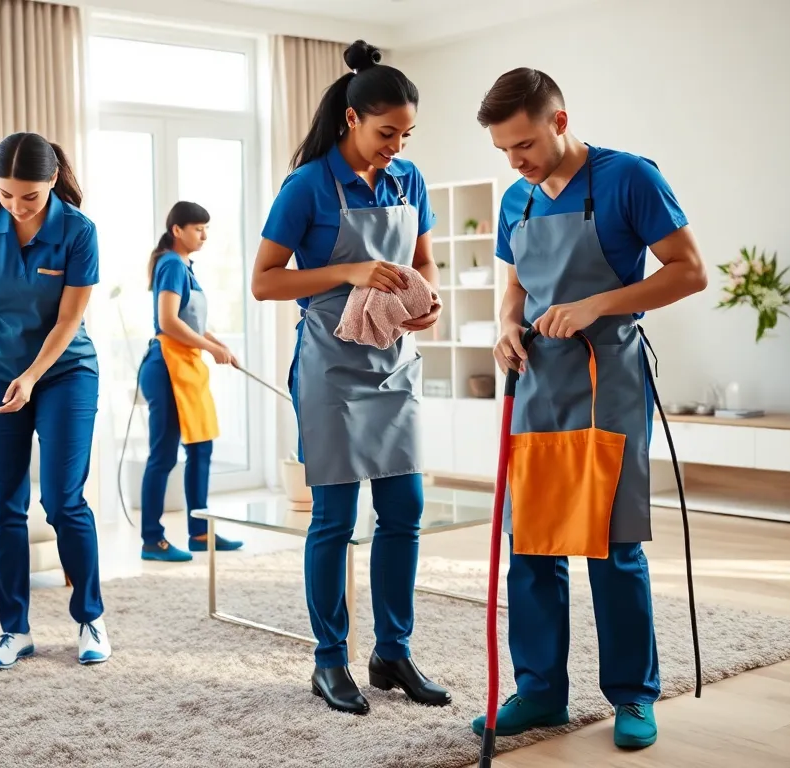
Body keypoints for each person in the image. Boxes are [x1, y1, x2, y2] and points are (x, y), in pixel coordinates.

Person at [469, 67, 706, 749]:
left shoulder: (628, 177)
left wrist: (596, 305)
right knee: (533, 542)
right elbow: (514, 287)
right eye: (504, 151)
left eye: (524, 145)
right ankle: (540, 692)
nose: (516, 162)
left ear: (560, 122)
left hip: (609, 382)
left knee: (612, 542)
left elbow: (688, 269)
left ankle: (633, 696)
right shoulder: (517, 199)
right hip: (538, 385)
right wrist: (507, 328)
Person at [251, 40, 451, 715]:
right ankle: (328, 659)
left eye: (406, 134)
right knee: (334, 518)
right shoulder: (306, 186)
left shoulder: (409, 181)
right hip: (330, 366)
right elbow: (264, 282)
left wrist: (425, 302)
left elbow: (424, 261)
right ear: (351, 120)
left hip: (393, 360)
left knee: (405, 511)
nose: (397, 146)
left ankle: (392, 652)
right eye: (386, 132)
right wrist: (348, 271)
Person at [0, 131, 110, 669]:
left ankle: (90, 617)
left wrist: (34, 375)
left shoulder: (79, 232)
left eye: (29, 197)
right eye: (7, 193)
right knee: (5, 505)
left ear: (53, 181)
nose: (16, 206)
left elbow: (68, 321)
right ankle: (14, 631)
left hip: (64, 373)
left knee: (64, 501)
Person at [137, 201, 245, 562]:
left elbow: (190, 320)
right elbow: (167, 321)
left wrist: (215, 342)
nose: (204, 235)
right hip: (166, 365)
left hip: (185, 364)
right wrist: (208, 349)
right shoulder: (170, 264)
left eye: (206, 228)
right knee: (164, 454)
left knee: (201, 448)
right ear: (176, 231)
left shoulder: (185, 267)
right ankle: (152, 539)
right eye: (197, 228)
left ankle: (200, 532)